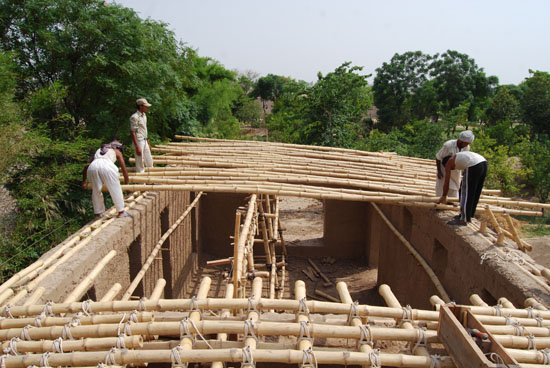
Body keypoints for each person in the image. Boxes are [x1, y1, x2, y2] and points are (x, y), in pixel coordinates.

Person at [438, 151, 488, 226]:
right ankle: (468, 215)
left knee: (467, 192)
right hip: (483, 163)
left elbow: (447, 181)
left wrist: (444, 196)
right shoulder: (460, 157)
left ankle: (463, 220)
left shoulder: (449, 163)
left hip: (474, 165)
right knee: (474, 191)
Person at [82, 141, 130, 219]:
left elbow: (86, 166)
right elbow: (124, 169)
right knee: (115, 188)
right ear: (118, 148)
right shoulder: (117, 151)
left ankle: (97, 213)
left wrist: (84, 181)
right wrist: (127, 184)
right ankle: (121, 212)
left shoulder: (99, 150)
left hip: (93, 166)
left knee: (96, 190)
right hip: (107, 167)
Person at [435, 130, 474, 198]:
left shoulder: (466, 147)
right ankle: (439, 202)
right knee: (442, 185)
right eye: (466, 143)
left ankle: (451, 201)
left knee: (454, 186)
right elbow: (438, 157)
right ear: (461, 141)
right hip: (444, 169)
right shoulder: (448, 145)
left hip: (456, 170)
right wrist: (439, 171)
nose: (467, 145)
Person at [130, 98, 153, 173]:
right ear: (140, 106)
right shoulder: (135, 117)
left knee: (149, 161)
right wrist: (137, 147)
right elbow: (132, 132)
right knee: (140, 163)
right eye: (145, 106)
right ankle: (141, 183)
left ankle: (152, 180)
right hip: (139, 141)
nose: (147, 108)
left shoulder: (144, 115)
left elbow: (144, 130)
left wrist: (148, 143)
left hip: (145, 140)